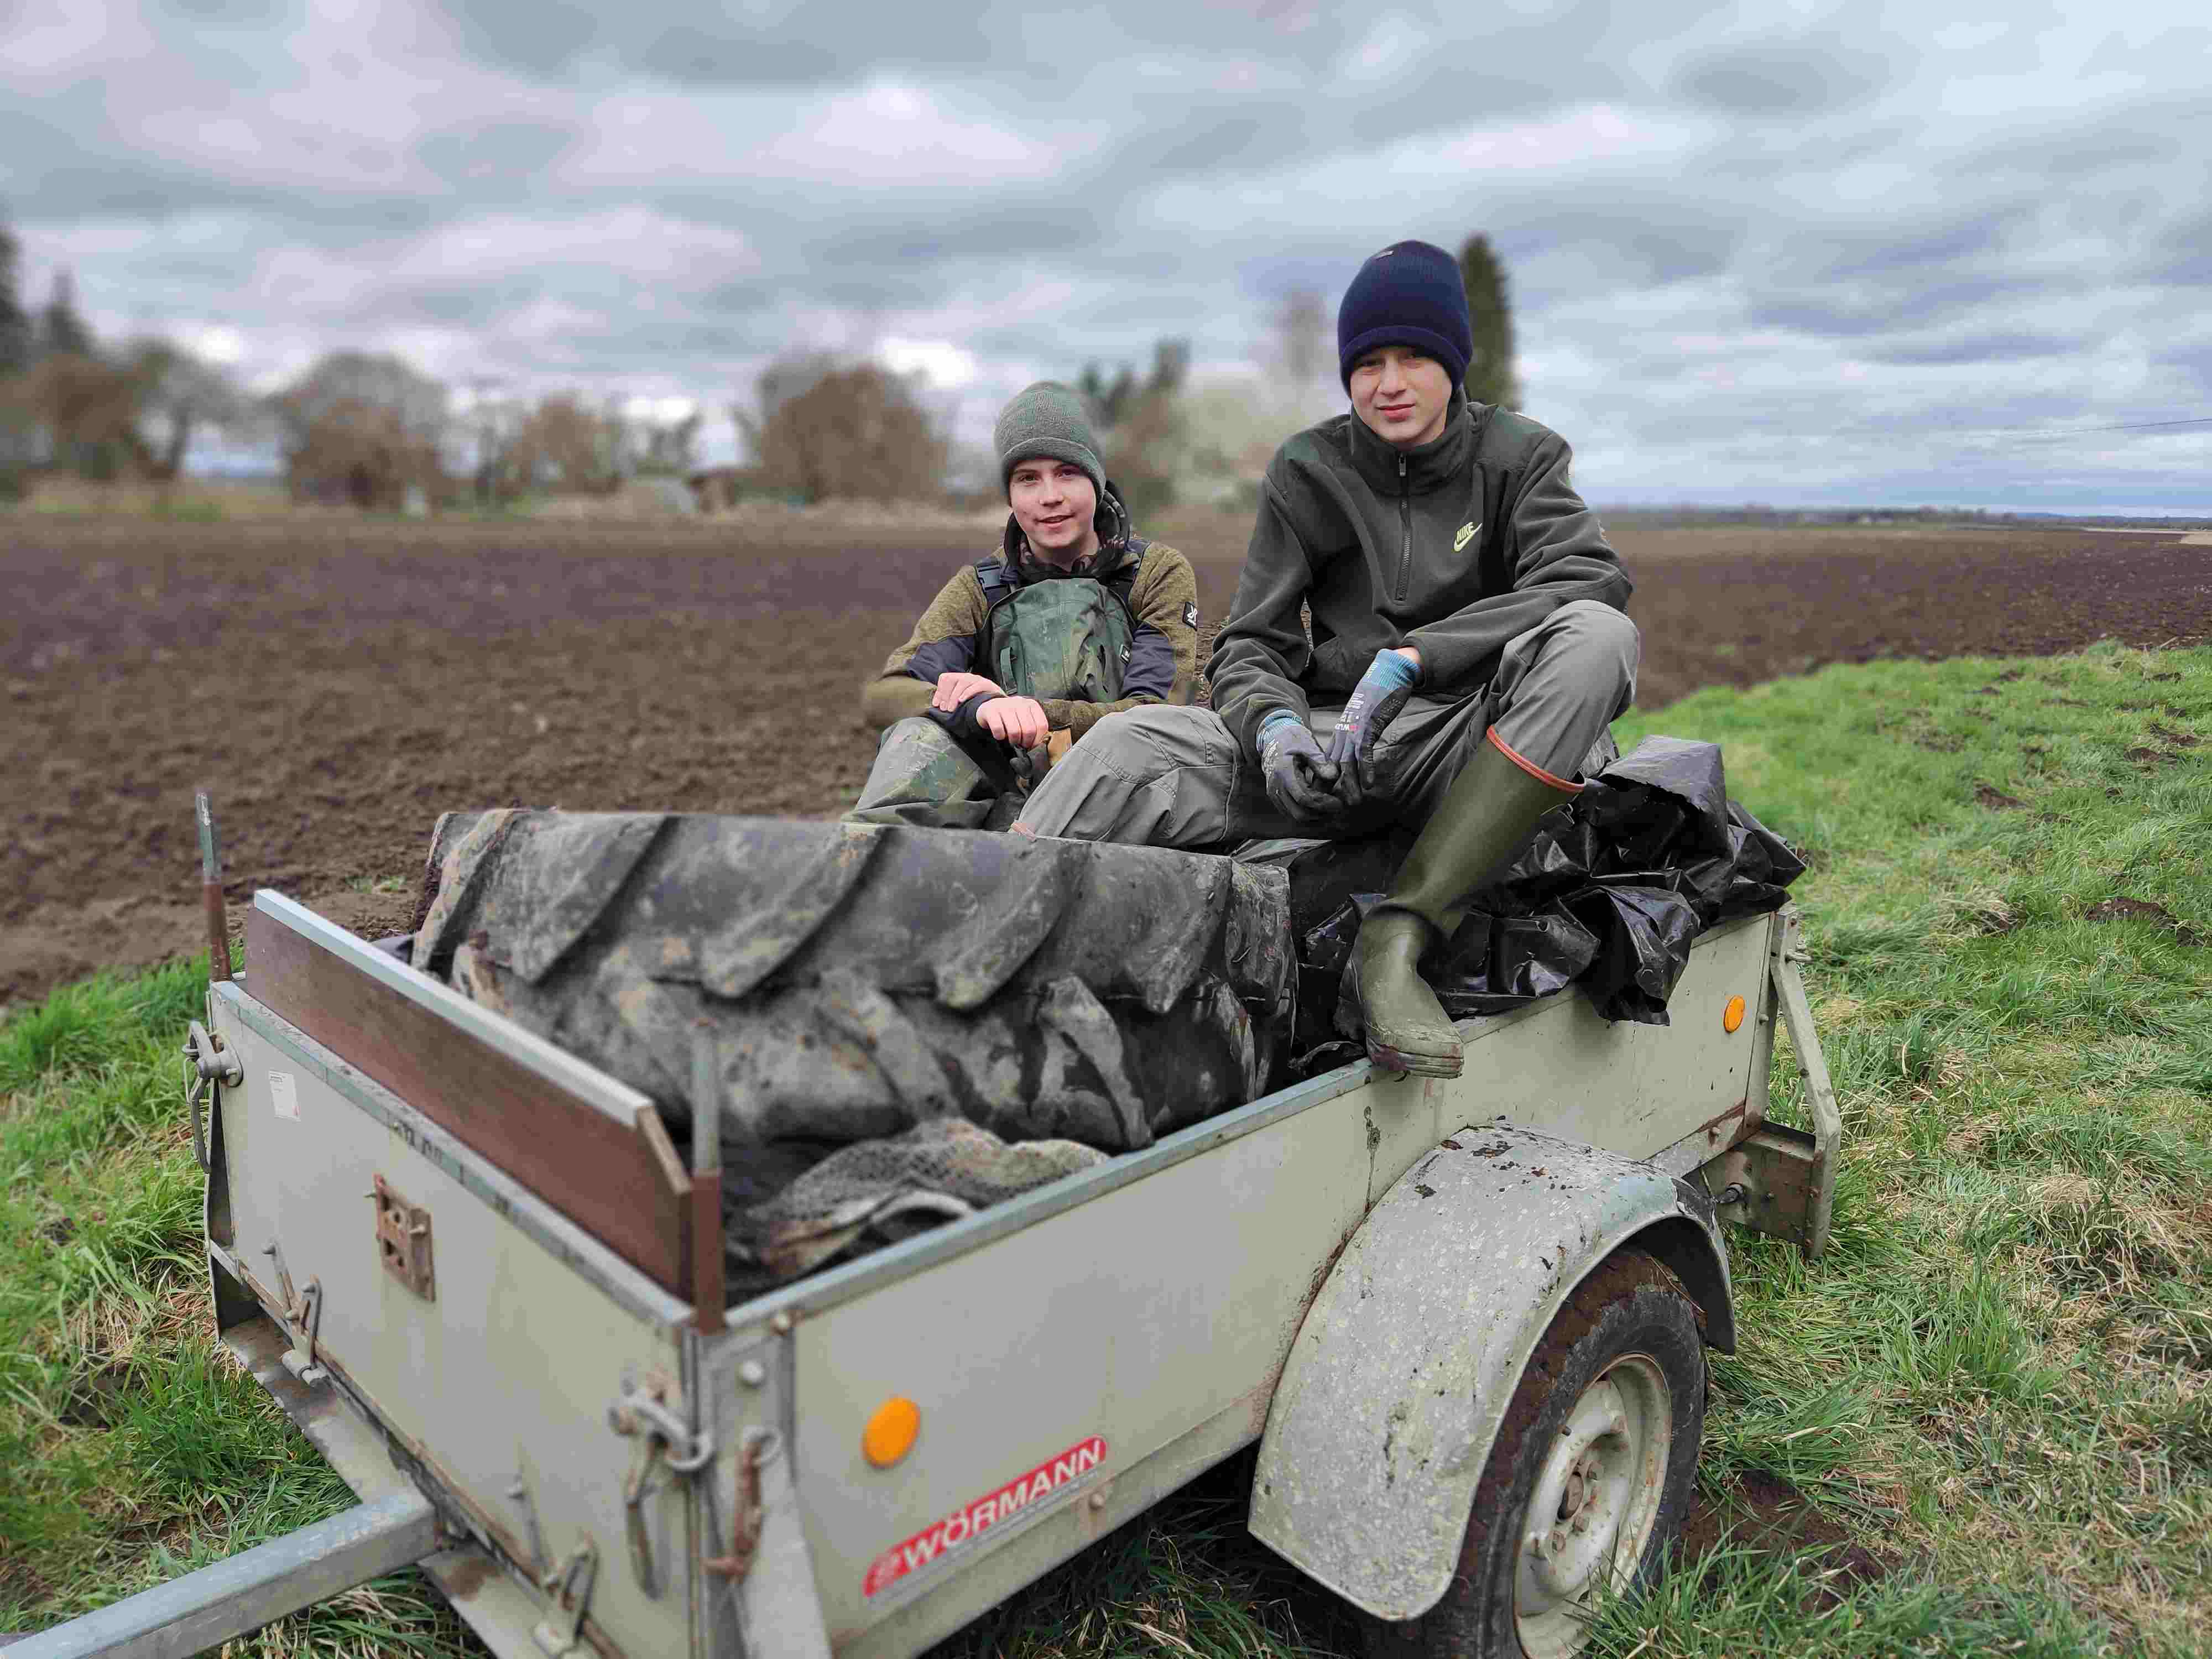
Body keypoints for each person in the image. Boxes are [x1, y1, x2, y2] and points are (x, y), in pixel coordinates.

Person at [1013, 239, 1639, 1080]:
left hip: (1462, 742)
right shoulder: (1308, 468)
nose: (1389, 383)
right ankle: (977, 939)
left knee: (1598, 637)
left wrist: (1418, 657)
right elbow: (1252, 642)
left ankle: (1400, 937)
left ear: (1454, 363)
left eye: (1413, 358)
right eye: (1368, 363)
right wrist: (1275, 730)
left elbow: (1588, 577)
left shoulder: (1521, 458)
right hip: (1331, 749)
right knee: (1126, 747)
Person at [845, 382, 1200, 829]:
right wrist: (981, 707)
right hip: (1010, 796)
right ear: (1010, 494)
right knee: (915, 734)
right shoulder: (980, 587)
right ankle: (870, 858)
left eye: (1067, 473)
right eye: (1028, 478)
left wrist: (1031, 712)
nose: (1049, 496)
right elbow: (887, 694)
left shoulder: (1156, 573)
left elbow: (1157, 716)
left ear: (1096, 479)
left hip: (1121, 790)